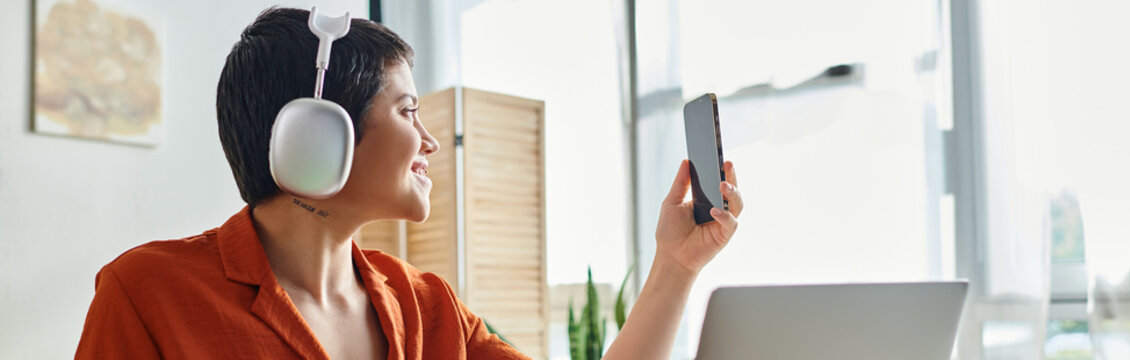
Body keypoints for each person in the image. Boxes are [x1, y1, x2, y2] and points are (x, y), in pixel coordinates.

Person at [75, 7, 743, 359]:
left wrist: (675, 266)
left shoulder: (427, 308)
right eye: (407, 110)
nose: (428, 140)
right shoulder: (148, 293)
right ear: (317, 135)